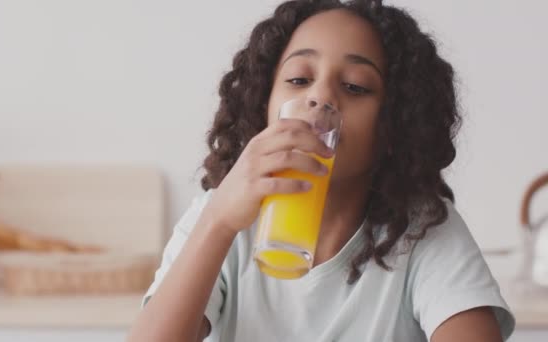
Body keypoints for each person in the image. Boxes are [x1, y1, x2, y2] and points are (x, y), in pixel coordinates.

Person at [128, 0, 515, 341]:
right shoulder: (219, 221)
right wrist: (218, 222)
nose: (320, 97)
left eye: (355, 86)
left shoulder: (423, 231)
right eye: (298, 79)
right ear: (265, 106)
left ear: (394, 127)